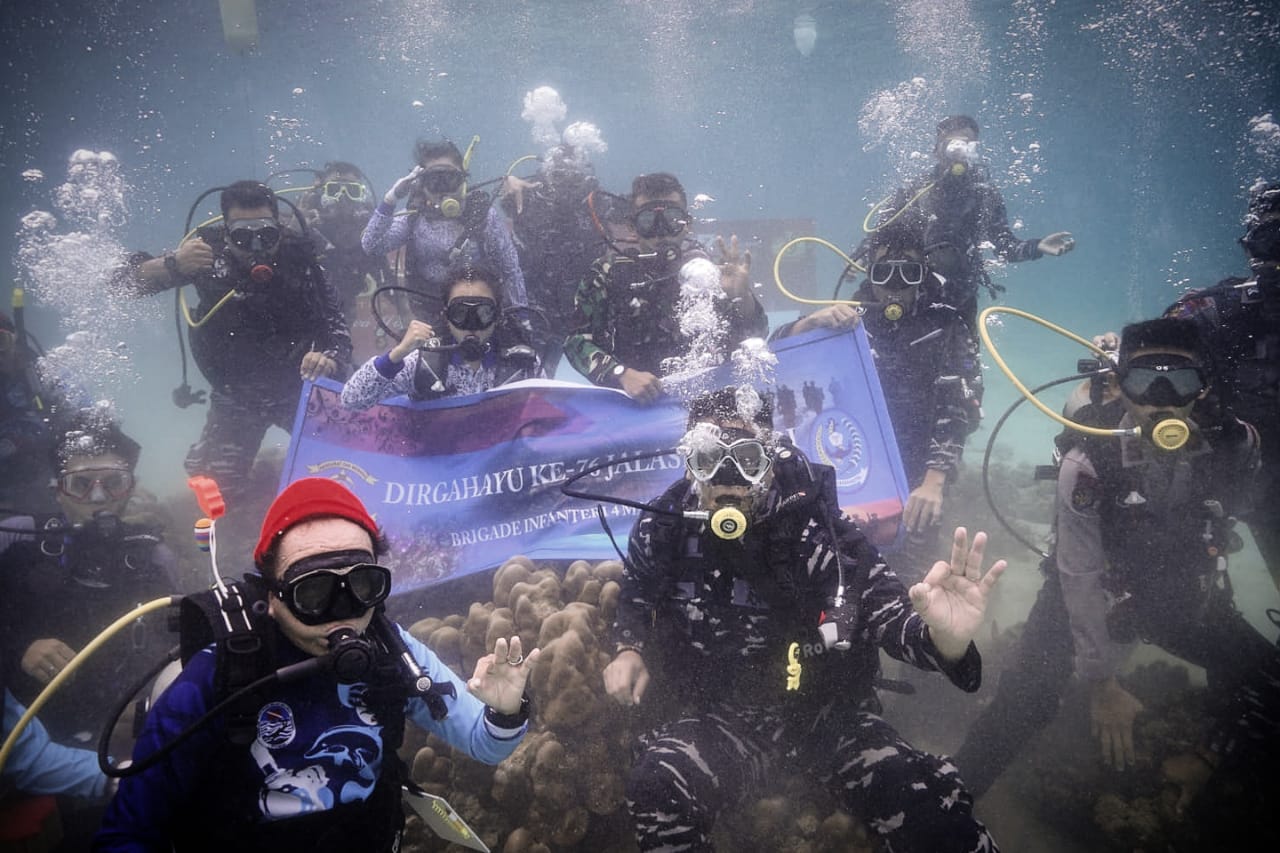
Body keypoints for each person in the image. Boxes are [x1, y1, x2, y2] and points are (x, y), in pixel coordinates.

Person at [603, 387, 1006, 852]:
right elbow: (637, 588)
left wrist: (944, 639)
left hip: (830, 720)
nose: (728, 477)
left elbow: (886, 611)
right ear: (689, 460)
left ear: (770, 464)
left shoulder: (818, 533)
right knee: (654, 786)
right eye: (709, 456)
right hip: (726, 722)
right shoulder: (664, 528)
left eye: (748, 458)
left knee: (935, 817)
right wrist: (628, 645)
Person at [95, 477, 539, 851]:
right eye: (314, 593)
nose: (343, 611)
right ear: (271, 597)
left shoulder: (391, 652)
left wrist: (504, 712)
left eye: (361, 585)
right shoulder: (218, 677)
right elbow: (129, 832)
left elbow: (485, 744)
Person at [952, 319, 1280, 824]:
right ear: (1121, 387)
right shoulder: (1088, 459)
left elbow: (1231, 521)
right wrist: (1101, 682)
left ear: (1206, 387)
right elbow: (1078, 574)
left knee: (1266, 682)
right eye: (1146, 382)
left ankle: (1212, 765)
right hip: (1094, 589)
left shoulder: (1238, 446)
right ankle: (943, 804)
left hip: (1179, 596)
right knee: (1027, 700)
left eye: (1182, 382)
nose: (1162, 401)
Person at [116, 180, 352, 505]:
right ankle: (237, 468)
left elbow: (338, 330)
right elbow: (120, 285)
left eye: (266, 235)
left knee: (350, 467)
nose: (256, 246)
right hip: (236, 395)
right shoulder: (205, 256)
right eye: (243, 236)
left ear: (279, 228)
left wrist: (329, 357)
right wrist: (172, 265)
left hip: (299, 389)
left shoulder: (302, 257)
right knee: (218, 492)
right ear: (226, 232)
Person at [772, 222, 983, 579]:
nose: (895, 288)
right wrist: (808, 324)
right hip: (854, 470)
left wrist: (934, 481)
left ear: (923, 275)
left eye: (909, 274)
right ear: (870, 274)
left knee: (910, 577)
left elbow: (959, 406)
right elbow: (775, 359)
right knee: (841, 567)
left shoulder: (947, 325)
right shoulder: (847, 319)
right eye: (885, 273)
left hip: (918, 473)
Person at [1, 420, 179, 744]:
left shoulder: (154, 557)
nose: (98, 497)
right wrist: (16, 650)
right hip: (22, 731)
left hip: (112, 734)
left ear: (131, 488)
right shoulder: (16, 537)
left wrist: (150, 706)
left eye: (113, 483)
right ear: (58, 491)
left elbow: (174, 648)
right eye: (80, 484)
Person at [1164, 182, 1280, 595]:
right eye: (1271, 240)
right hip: (1217, 478)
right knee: (1183, 604)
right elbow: (1161, 348)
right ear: (1251, 247)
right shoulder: (1217, 310)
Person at [563, 172, 767, 403]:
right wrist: (620, 374)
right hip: (635, 403)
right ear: (632, 227)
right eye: (648, 221)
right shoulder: (607, 273)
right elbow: (576, 341)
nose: (660, 231)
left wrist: (742, 297)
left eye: (671, 219)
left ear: (686, 225)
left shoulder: (707, 273)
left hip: (706, 399)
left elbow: (756, 337)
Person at [861, 115, 1075, 327]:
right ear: (936, 151)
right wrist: (862, 256)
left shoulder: (984, 195)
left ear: (974, 150)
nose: (958, 151)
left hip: (959, 297)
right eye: (951, 144)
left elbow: (1005, 246)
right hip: (910, 291)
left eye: (966, 145)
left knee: (960, 360)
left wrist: (1036, 246)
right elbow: (882, 233)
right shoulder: (916, 191)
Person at [362, 140, 530, 333]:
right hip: (430, 316)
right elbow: (371, 245)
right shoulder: (414, 217)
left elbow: (510, 269)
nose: (443, 189)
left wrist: (522, 320)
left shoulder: (482, 215)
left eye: (450, 179)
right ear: (421, 185)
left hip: (479, 314)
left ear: (463, 180)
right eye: (434, 181)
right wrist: (391, 198)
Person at [341, 262, 542, 406]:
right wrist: (398, 353)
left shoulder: (523, 363)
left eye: (483, 313)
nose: (471, 325)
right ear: (446, 316)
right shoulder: (424, 362)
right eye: (460, 313)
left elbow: (548, 418)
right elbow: (351, 400)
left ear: (497, 315)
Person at [500, 143, 609, 374]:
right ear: (547, 176)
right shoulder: (527, 198)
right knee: (531, 369)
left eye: (574, 178)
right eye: (559, 176)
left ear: (585, 178)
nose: (567, 185)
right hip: (534, 305)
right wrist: (508, 181)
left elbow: (635, 210)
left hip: (577, 309)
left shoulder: (597, 203)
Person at [296, 162, 394, 360]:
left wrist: (407, 313)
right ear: (320, 193)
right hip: (302, 307)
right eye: (334, 189)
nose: (343, 197)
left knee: (338, 347)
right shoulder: (304, 222)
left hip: (345, 303)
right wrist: (297, 228)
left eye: (352, 191)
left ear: (361, 195)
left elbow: (386, 279)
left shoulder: (369, 229)